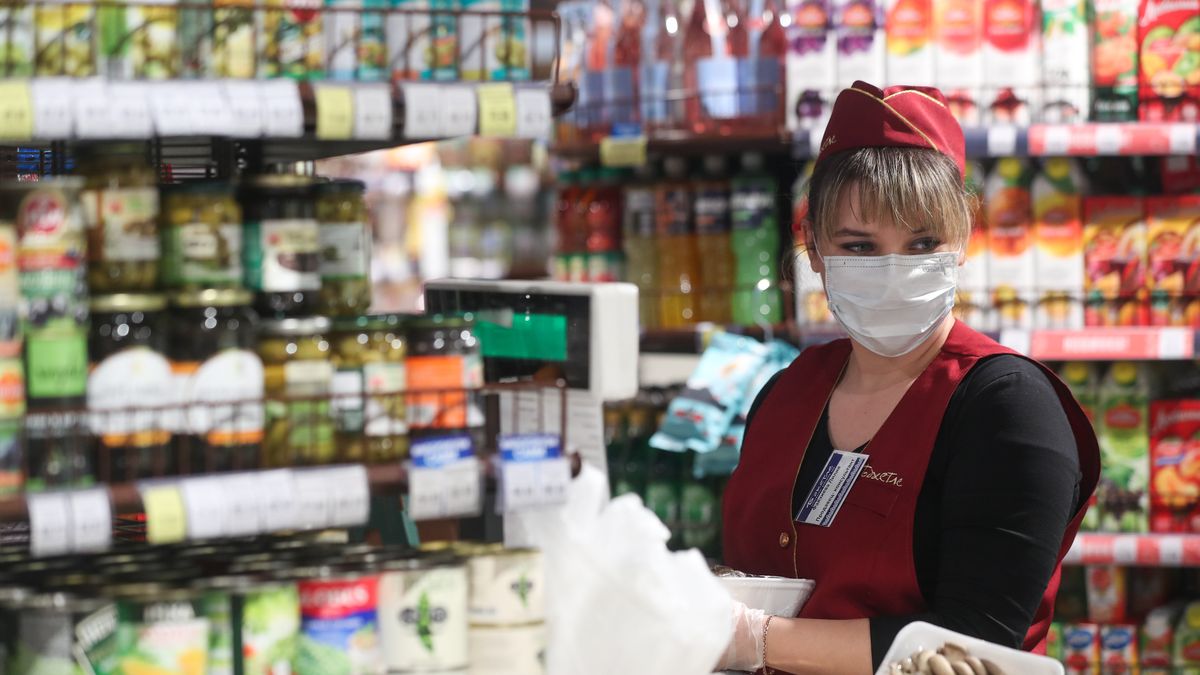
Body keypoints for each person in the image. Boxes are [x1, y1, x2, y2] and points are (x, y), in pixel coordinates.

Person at [714, 81, 1100, 674]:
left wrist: (756, 639)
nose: (893, 273)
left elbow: (974, 641)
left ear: (963, 240)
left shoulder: (1007, 407)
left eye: (921, 243)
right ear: (812, 245)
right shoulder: (787, 391)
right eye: (860, 246)